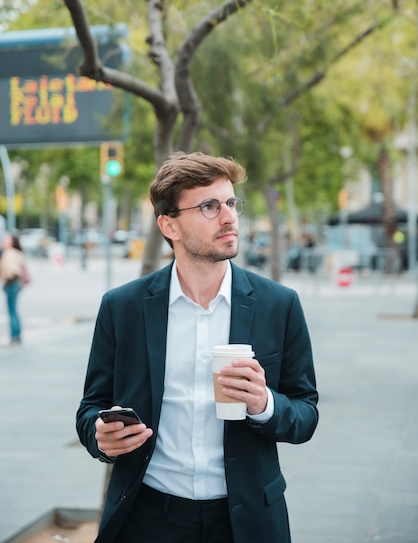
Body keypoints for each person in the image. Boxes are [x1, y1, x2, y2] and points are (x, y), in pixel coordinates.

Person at [76, 151, 318, 543]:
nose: (228, 217)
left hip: (245, 520)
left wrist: (264, 405)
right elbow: (91, 408)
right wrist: (99, 438)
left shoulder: (279, 304)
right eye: (209, 206)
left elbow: (306, 413)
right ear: (168, 224)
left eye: (230, 203)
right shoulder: (122, 307)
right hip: (148, 516)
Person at [0, 233, 28, 344]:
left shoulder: (9, 253)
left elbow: (12, 270)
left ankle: (14, 336)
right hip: (15, 284)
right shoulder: (16, 252)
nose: (3, 242)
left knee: (11, 311)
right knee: (14, 310)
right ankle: (17, 334)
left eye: (6, 240)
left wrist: (6, 278)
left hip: (11, 283)